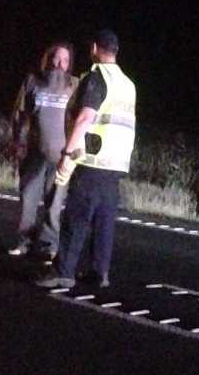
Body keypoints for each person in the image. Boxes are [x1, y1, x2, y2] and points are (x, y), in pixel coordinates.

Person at [35, 29, 136, 288]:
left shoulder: (97, 77)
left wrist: (68, 153)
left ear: (94, 48)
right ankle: (99, 272)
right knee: (104, 221)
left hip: (93, 160)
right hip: (116, 164)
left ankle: (63, 271)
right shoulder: (127, 83)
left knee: (76, 217)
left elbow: (85, 117)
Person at [9, 42, 78, 259]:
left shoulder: (74, 85)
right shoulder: (32, 81)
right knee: (28, 199)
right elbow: (20, 115)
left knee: (55, 204)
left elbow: (80, 119)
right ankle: (24, 242)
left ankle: (49, 246)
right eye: (57, 58)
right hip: (34, 152)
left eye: (65, 60)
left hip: (61, 156)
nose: (60, 64)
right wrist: (18, 143)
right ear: (48, 59)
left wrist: (74, 153)